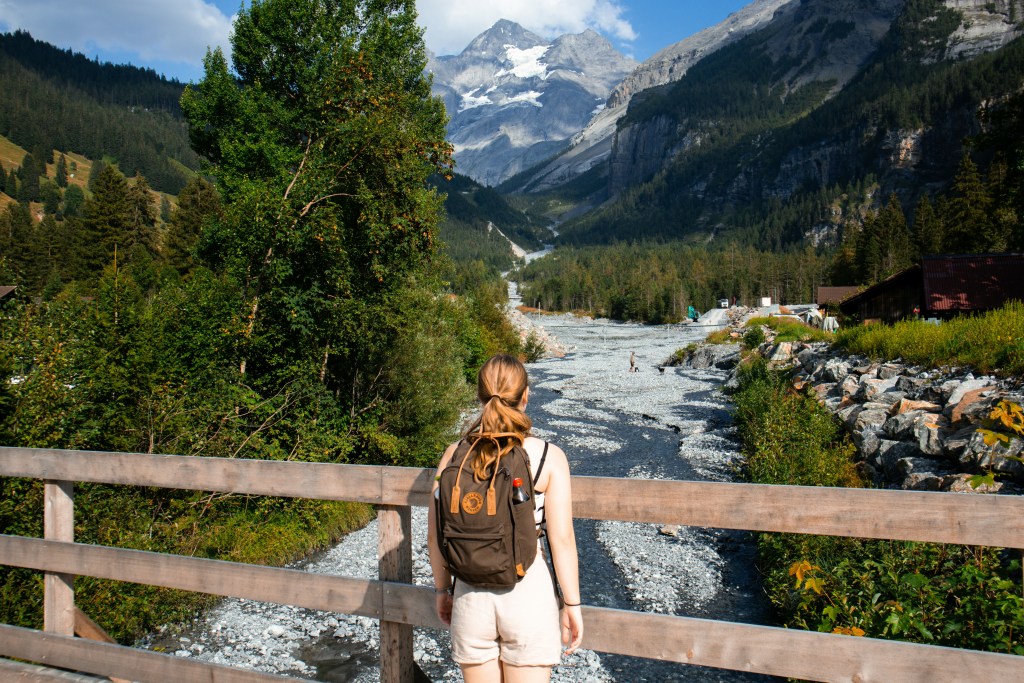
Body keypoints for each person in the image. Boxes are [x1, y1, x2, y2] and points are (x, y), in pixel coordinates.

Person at [428, 354, 584, 683]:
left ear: (480, 396)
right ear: (525, 396)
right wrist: (572, 604)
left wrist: (443, 591)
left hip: (470, 596)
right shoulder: (548, 457)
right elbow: (562, 541)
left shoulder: (455, 453)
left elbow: (436, 534)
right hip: (527, 592)